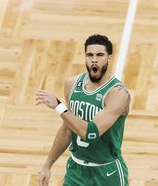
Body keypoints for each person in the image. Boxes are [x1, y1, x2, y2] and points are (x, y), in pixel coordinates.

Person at [36, 34, 130, 186]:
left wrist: (58, 106)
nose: (94, 59)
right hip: (76, 171)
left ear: (109, 58)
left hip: (107, 174)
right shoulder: (72, 84)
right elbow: (67, 129)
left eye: (100, 55)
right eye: (90, 55)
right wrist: (47, 165)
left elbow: (90, 133)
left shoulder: (118, 93)